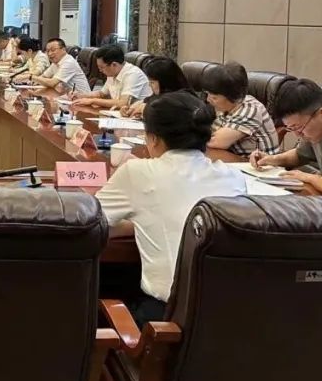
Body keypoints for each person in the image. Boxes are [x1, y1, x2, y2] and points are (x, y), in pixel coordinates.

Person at [95, 92, 247, 324]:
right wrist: (141, 223)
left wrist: (133, 224)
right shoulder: (233, 176)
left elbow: (90, 224)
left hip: (167, 318)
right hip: (230, 315)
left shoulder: (138, 172)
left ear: (154, 139)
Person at [202, 62, 280, 157]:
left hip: (260, 163)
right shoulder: (223, 107)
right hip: (235, 159)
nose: (208, 100)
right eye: (208, 94)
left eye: (214, 98)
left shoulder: (251, 110)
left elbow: (214, 141)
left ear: (232, 96)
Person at [72, 45, 151, 111]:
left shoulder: (132, 74)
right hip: (120, 114)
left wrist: (92, 101)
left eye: (102, 67)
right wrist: (80, 95)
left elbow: (123, 103)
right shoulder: (112, 73)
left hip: (138, 118)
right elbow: (101, 94)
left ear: (114, 65)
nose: (100, 70)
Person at [120, 57, 190, 118]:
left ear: (165, 82)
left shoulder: (180, 100)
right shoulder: (160, 95)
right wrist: (130, 108)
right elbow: (146, 101)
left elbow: (166, 116)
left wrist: (146, 110)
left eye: (152, 82)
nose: (149, 85)